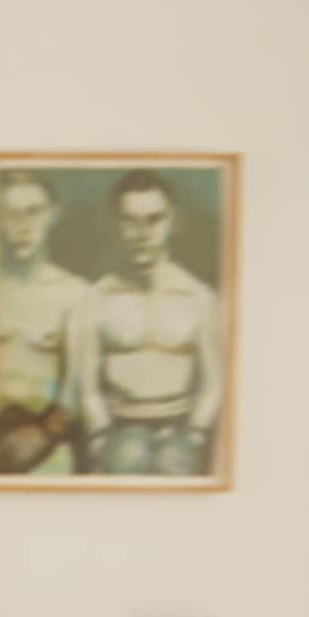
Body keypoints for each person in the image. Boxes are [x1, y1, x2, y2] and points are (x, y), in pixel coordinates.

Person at [65, 169, 222, 479]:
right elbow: (86, 384)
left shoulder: (198, 297)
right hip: (118, 434)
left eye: (154, 220)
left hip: (181, 435)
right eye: (130, 221)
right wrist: (100, 437)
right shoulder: (96, 297)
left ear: (173, 222)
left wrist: (196, 434)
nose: (142, 233)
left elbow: (214, 381)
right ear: (118, 226)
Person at [0, 168, 84, 475]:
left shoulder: (75, 294)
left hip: (47, 440)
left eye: (33, 212)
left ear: (52, 215)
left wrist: (45, 433)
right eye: (10, 213)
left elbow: (78, 386)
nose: (23, 226)